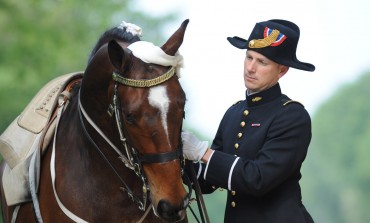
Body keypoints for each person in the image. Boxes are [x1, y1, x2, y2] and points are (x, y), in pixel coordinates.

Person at [182, 19, 315, 223]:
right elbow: (208, 182)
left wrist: (203, 152)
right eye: (249, 57)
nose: (250, 68)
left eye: (262, 62)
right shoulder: (234, 112)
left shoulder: (292, 116)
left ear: (282, 70)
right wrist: (170, 154)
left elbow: (258, 179)